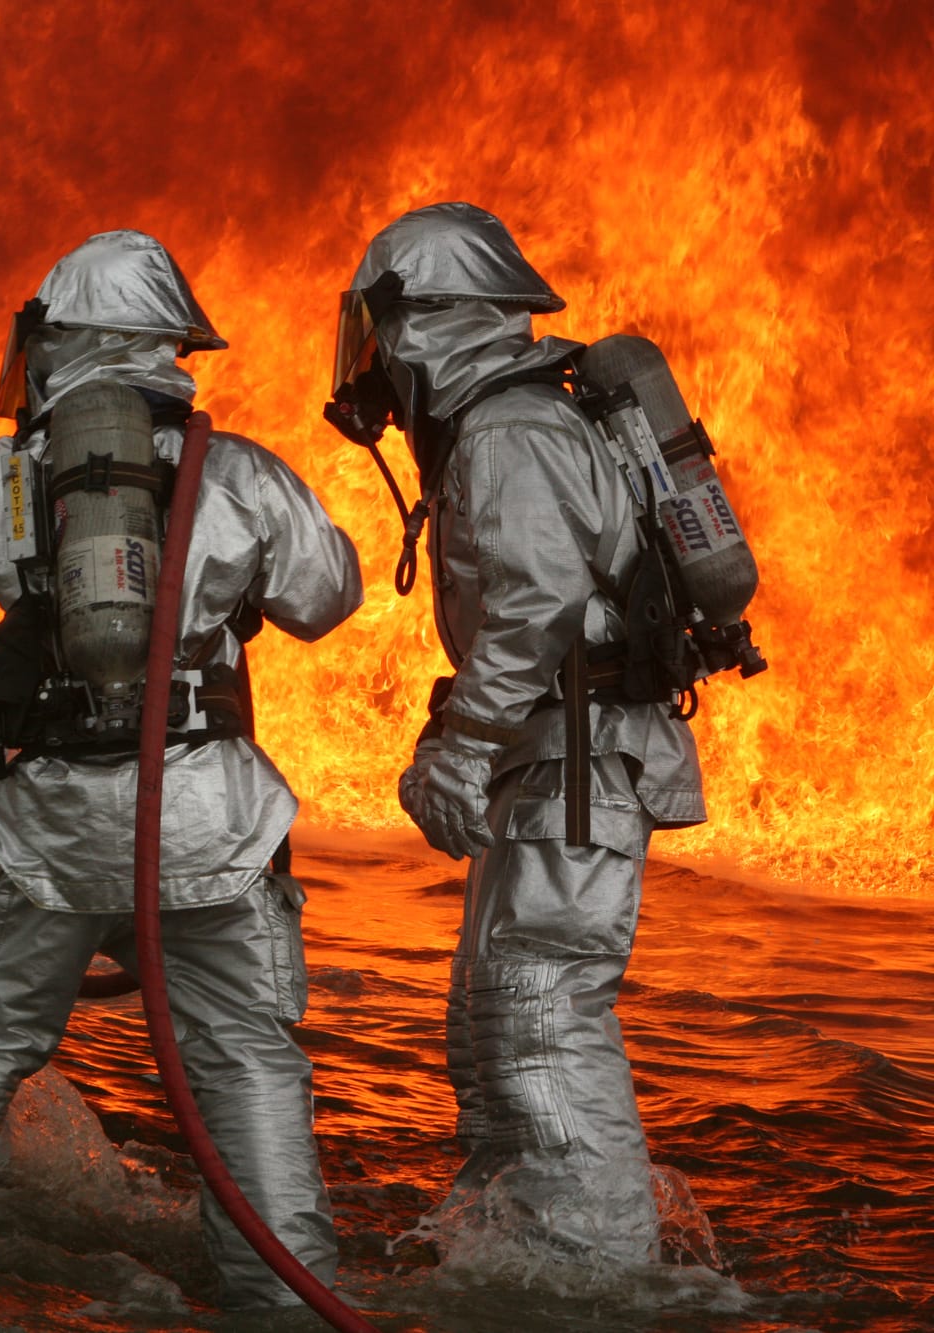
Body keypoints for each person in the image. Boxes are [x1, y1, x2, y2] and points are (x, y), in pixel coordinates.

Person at [0, 231, 363, 1308]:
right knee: (244, 1063)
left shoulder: (3, 476)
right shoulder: (244, 471)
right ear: (172, 343)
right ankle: (285, 1291)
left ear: (54, 341)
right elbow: (325, 598)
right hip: (211, 814)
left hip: (53, 827)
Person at [323, 202, 707, 1261]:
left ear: (428, 324)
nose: (368, 360)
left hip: (574, 760)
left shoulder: (508, 430)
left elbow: (534, 605)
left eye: (377, 329)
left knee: (539, 1008)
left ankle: (593, 1277)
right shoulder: (517, 422)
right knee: (491, 1022)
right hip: (554, 756)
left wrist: (460, 744)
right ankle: (506, 1249)